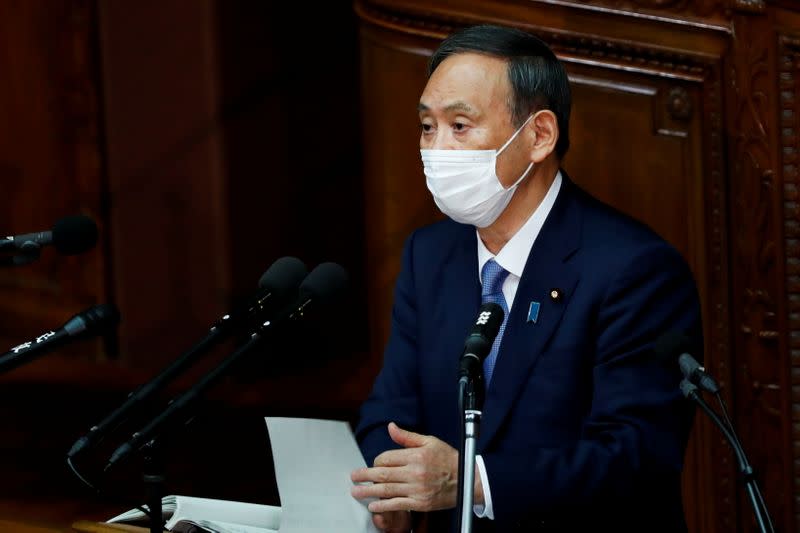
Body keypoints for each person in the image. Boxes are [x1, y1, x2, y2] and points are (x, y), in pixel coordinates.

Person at [350, 24, 702, 532]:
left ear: (538, 135)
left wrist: (474, 482)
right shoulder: (430, 255)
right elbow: (390, 411)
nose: (436, 148)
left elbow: (636, 456)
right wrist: (396, 495)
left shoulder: (634, 269)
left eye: (460, 125)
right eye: (428, 127)